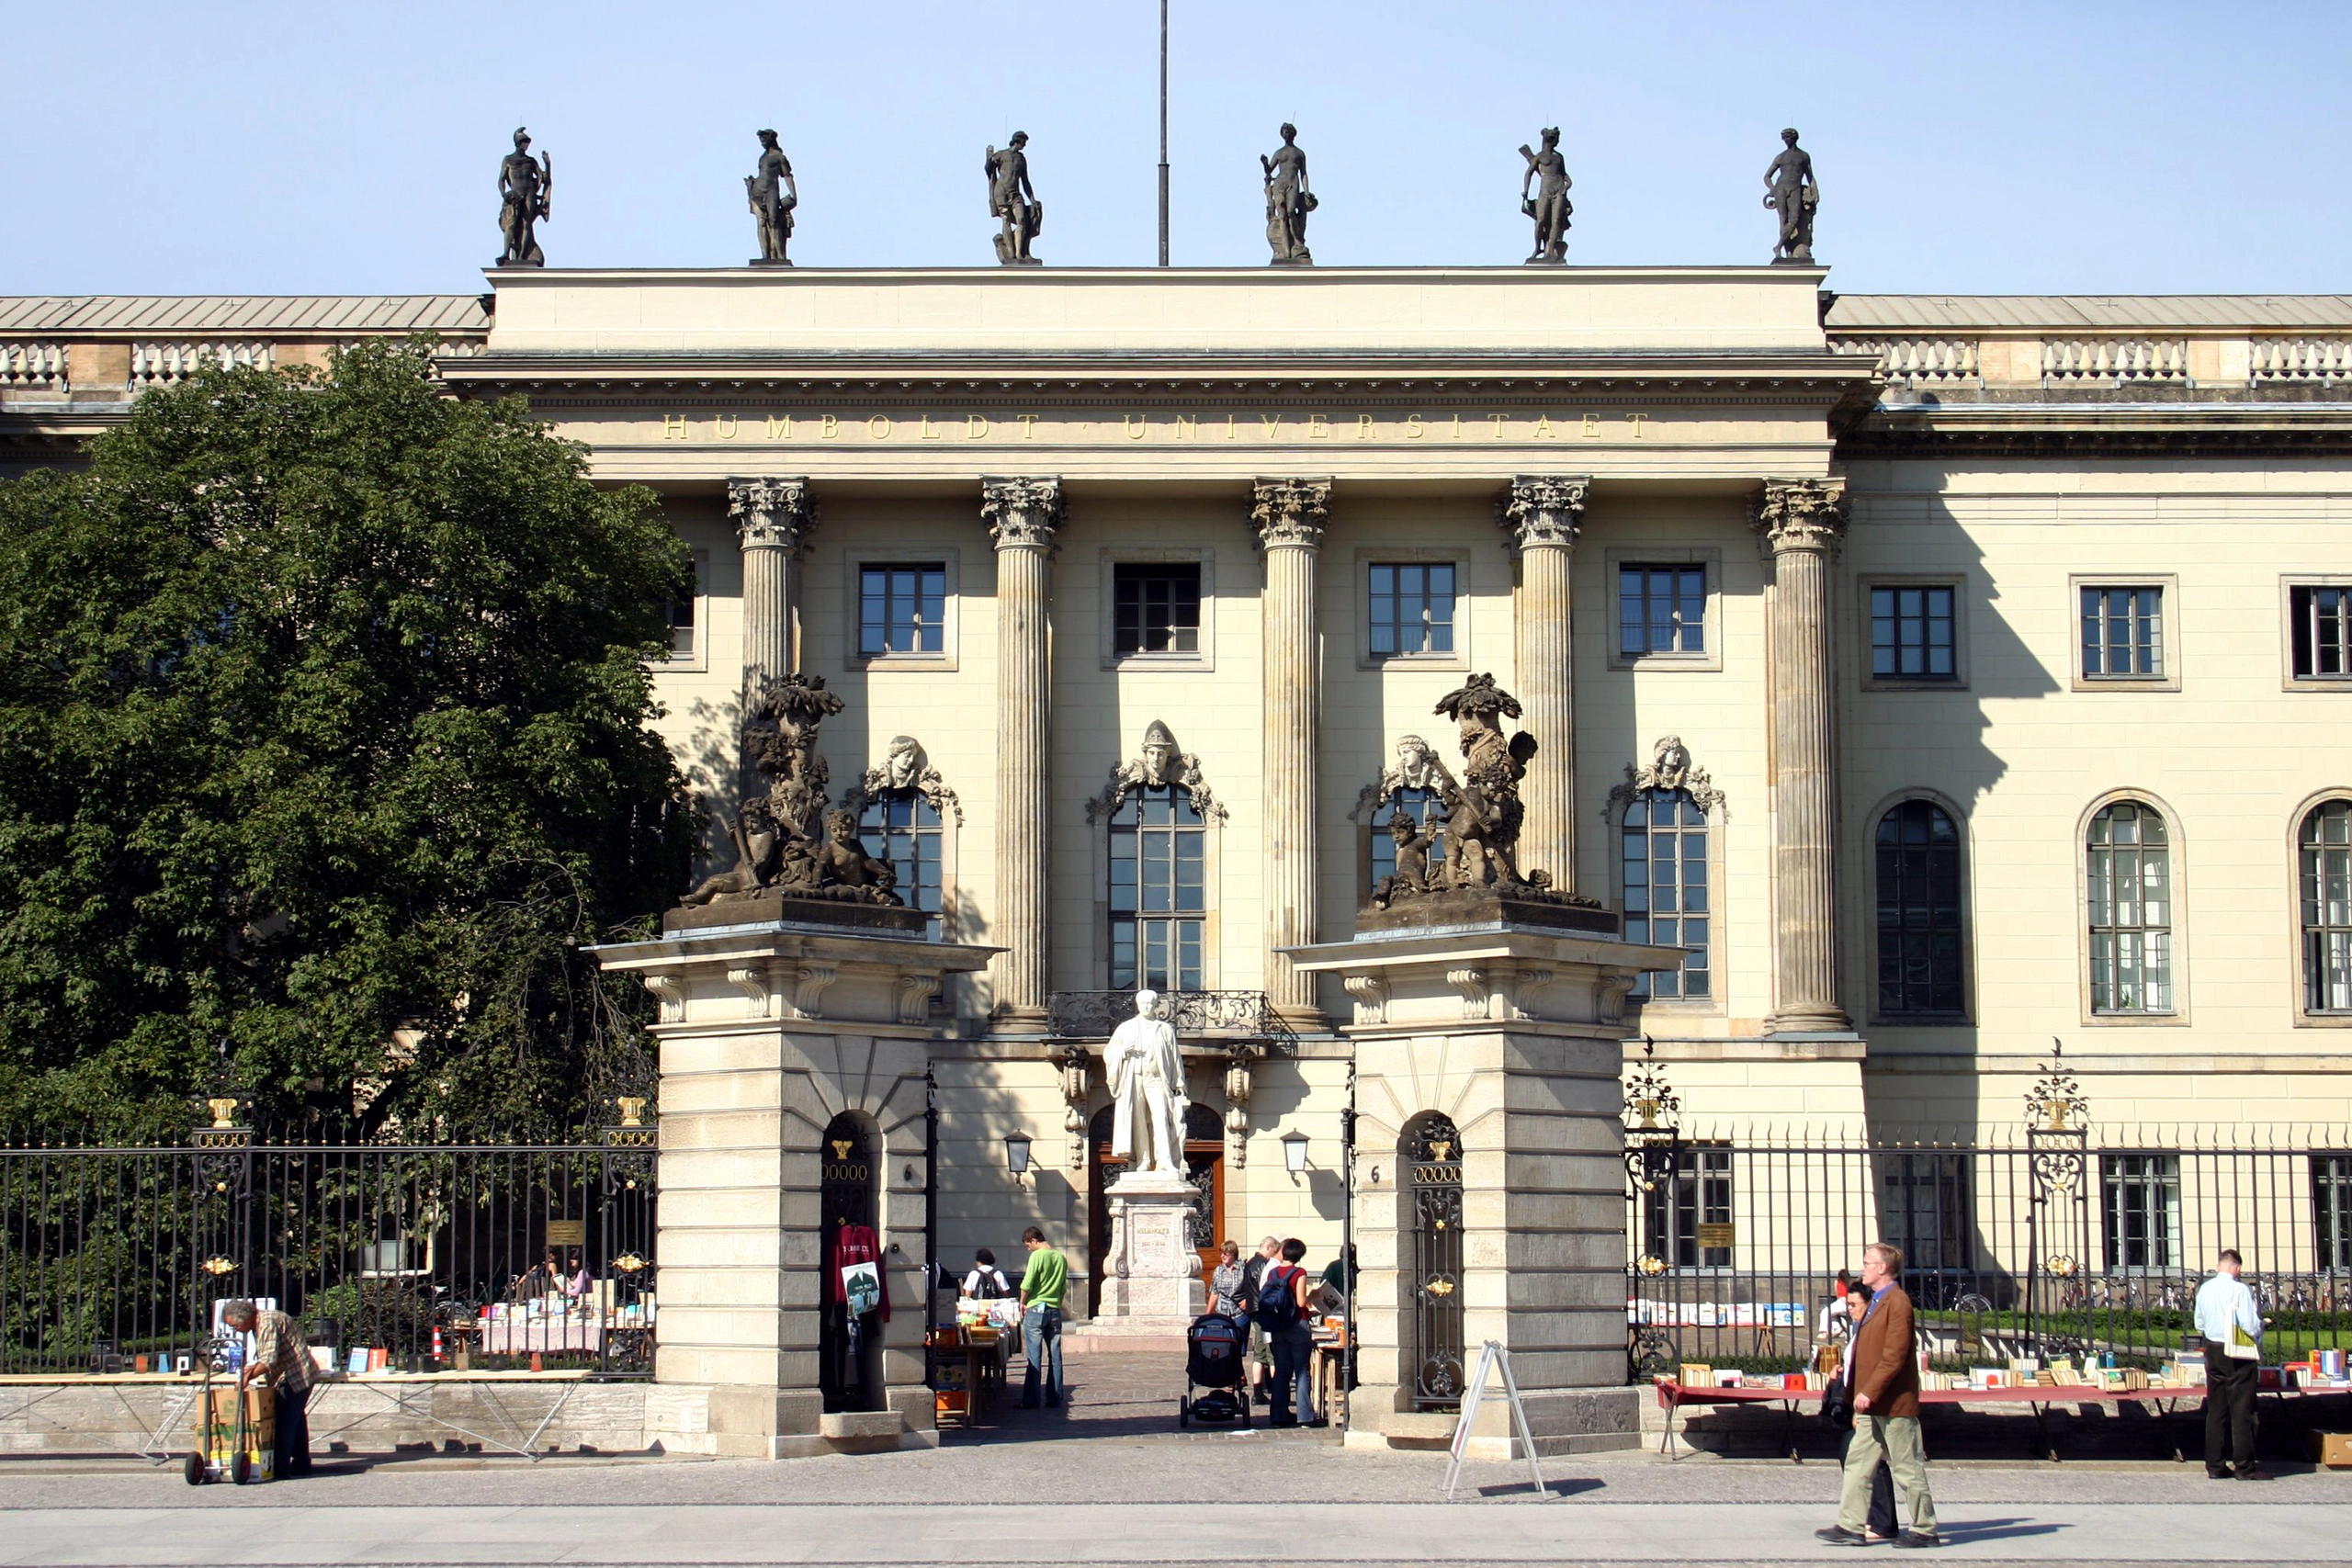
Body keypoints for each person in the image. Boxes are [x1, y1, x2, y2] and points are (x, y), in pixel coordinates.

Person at [1816, 1242, 1937, 1549]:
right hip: (1872, 1405)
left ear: (1883, 1268)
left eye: (1868, 1263)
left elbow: (1894, 1355)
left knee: (1906, 1467)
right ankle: (1851, 1525)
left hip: (1893, 1404)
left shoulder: (1897, 1302)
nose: (1863, 1268)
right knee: (1858, 1463)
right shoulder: (1876, 1302)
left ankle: (1924, 1529)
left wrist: (1869, 1391)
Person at [1830, 1286, 1899, 1541]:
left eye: (1853, 1305)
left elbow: (1880, 1366)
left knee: (1874, 1462)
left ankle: (1881, 1523)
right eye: (1847, 1305)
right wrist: (1841, 1369)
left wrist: (1865, 1407)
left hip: (1867, 1404)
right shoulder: (1859, 1327)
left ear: (1869, 1304)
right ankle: (1866, 1521)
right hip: (1855, 1400)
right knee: (1855, 1458)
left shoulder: (1874, 1327)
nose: (1849, 1310)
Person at [2194, 1247, 2267, 1479]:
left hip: (2213, 1349)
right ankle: (2244, 1466)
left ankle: (2214, 1465)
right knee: (2242, 1409)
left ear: (2219, 1266)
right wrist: (2262, 1325)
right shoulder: (2240, 1289)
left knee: (2216, 1409)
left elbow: (2199, 1323)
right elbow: (2248, 1324)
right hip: (2237, 1351)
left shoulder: (2204, 1289)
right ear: (2236, 1267)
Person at [220, 1299, 313, 1478]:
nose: (235, 1330)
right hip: (295, 1374)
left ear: (244, 1317)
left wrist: (247, 1377)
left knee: (285, 1421)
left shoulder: (266, 1323)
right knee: (296, 1420)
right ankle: (302, 1464)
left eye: (235, 1325)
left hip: (296, 1375)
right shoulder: (264, 1321)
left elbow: (268, 1359)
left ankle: (281, 1468)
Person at [1261, 1237, 1317, 1427]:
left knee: (1282, 1371)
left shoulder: (1273, 1272)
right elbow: (1301, 1302)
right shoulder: (1299, 1272)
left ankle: (1278, 1415)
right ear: (1300, 1255)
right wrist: (1314, 1295)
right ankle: (1305, 1416)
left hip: (1278, 1325)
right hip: (1297, 1325)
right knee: (1301, 1371)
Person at [1016, 1225, 1067, 1408]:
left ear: (1034, 1240)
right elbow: (1062, 1288)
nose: (1028, 1249)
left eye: (1028, 1245)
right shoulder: (1060, 1257)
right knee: (1055, 1356)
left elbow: (1027, 1283)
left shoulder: (1037, 1256)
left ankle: (1031, 1399)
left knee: (1034, 1355)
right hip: (1054, 1308)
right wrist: (1056, 1305)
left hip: (1036, 1308)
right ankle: (1055, 1398)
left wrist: (1022, 1302)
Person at [1241, 1235, 1282, 1404]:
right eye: (1275, 1250)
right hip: (1265, 1312)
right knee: (1272, 1354)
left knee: (1259, 1354)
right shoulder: (1264, 1265)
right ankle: (1277, 1392)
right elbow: (1265, 1288)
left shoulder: (1249, 1262)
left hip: (1254, 1312)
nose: (1275, 1255)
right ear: (1269, 1247)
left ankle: (1257, 1392)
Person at [1210, 1240, 1247, 1320]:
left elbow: (1252, 1288)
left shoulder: (1244, 1268)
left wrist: (1247, 1300)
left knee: (1239, 1332)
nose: (1222, 1256)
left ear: (1233, 1254)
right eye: (1221, 1254)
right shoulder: (1219, 1270)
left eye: (1225, 1254)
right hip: (1222, 1312)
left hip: (1240, 1312)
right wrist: (1208, 1313)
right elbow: (1214, 1292)